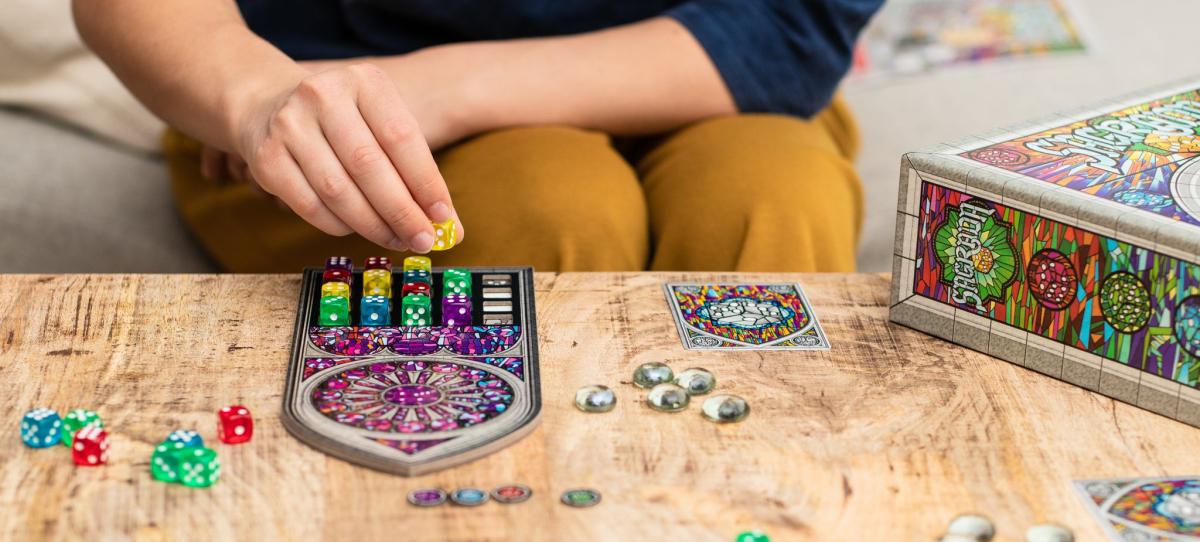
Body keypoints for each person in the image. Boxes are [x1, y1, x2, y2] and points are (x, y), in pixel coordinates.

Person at [75, 0, 882, 273]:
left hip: (704, 76)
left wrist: (449, 86)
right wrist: (252, 92)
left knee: (774, 201)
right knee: (544, 211)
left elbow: (793, 23)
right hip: (330, 87)